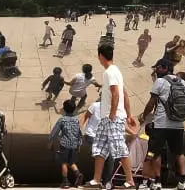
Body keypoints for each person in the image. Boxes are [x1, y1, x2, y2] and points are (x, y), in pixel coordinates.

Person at [85, 44, 137, 188]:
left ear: (101, 56)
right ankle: (96, 180)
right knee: (99, 148)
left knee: (119, 147)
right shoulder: (116, 71)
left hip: (111, 117)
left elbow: (116, 93)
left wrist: (113, 115)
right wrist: (129, 114)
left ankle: (130, 181)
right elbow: (124, 93)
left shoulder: (109, 72)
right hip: (107, 118)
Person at [139, 59, 185, 190]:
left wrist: (144, 116)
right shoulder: (183, 82)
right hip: (178, 124)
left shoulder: (160, 82)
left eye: (158, 67)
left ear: (165, 68)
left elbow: (151, 102)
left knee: (156, 153)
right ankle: (183, 182)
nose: (156, 70)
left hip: (161, 124)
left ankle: (157, 181)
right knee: (179, 152)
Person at [49, 100, 85, 189]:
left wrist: (50, 141)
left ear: (64, 109)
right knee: (71, 162)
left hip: (64, 144)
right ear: (74, 109)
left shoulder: (62, 119)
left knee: (64, 163)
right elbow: (79, 133)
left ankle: (65, 181)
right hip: (74, 145)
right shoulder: (76, 120)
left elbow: (55, 131)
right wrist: (79, 144)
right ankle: (78, 174)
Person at [81, 99, 114, 188]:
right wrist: (80, 129)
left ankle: (106, 181)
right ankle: (94, 180)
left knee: (110, 157)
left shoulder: (113, 109)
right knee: (98, 156)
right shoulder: (95, 105)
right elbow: (85, 116)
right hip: (92, 135)